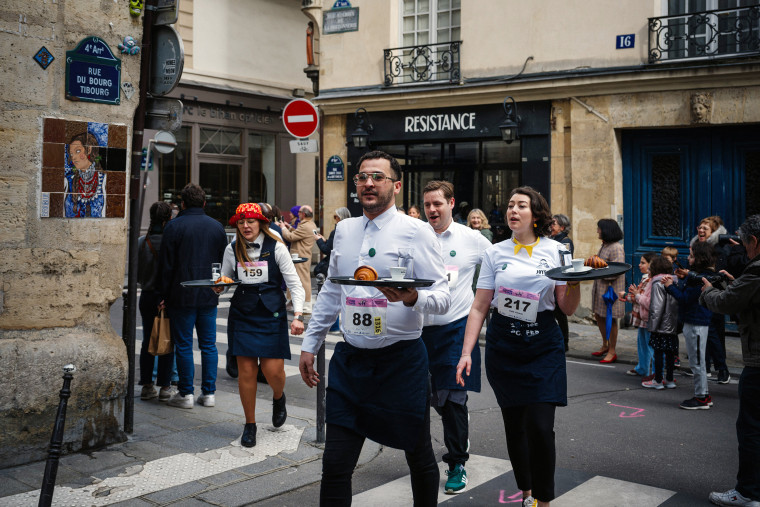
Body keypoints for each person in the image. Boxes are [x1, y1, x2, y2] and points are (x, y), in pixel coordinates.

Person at [298, 150, 450, 505]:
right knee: (335, 463)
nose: (368, 183)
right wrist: (311, 342)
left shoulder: (416, 232)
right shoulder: (346, 230)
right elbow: (332, 291)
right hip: (351, 363)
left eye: (377, 177)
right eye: (362, 177)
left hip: (402, 363)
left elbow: (443, 297)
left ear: (395, 186)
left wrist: (411, 299)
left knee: (418, 453)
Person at [456, 186, 581, 507]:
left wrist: (575, 280)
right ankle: (527, 492)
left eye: (521, 205)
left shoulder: (557, 251)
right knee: (515, 426)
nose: (513, 210)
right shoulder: (494, 252)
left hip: (543, 344)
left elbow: (566, 308)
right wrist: (467, 352)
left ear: (535, 214)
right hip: (504, 346)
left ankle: (544, 499)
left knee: (540, 426)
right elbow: (479, 306)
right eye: (510, 205)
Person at [421, 180, 491, 494]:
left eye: (438, 203)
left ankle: (456, 462)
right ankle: (457, 439)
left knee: (452, 400)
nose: (432, 210)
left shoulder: (472, 239)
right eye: (427, 205)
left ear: (451, 203)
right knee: (426, 398)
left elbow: (498, 266)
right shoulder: (414, 236)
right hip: (417, 332)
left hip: (455, 330)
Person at [215, 203, 305, 447]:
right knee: (246, 372)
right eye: (241, 222)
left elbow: (294, 284)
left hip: (271, 314)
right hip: (243, 314)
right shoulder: (231, 249)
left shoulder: (277, 247)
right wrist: (219, 285)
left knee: (272, 371)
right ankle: (250, 424)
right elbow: (225, 279)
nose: (245, 226)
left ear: (261, 223)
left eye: (250, 221)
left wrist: (298, 315)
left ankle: (278, 397)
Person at [701, 214, 760, 507]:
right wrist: (736, 284)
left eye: (745, 243)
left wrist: (708, 291)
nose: (742, 248)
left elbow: (724, 303)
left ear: (755, 242)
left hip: (758, 363)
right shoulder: (752, 276)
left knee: (751, 428)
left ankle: (748, 491)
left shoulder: (757, 271)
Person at [159, 183, 228, 409]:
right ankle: (209, 393)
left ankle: (186, 393)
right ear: (205, 203)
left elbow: (166, 266)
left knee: (184, 344)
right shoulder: (217, 227)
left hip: (181, 293)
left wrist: (164, 294)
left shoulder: (174, 226)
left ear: (183, 203)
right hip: (208, 293)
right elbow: (222, 262)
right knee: (209, 345)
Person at [663, 242, 715, 409]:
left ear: (700, 259)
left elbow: (685, 298)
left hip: (696, 322)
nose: (688, 258)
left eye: (692, 256)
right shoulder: (697, 276)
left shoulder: (701, 278)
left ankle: (701, 397)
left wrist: (670, 287)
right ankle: (703, 395)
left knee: (697, 362)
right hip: (693, 321)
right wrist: (685, 278)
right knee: (696, 361)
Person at [137, 201, 176, 402]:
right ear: (168, 218)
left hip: (147, 295)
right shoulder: (172, 241)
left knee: (148, 340)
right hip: (167, 296)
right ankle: (165, 387)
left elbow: (136, 273)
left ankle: (146, 384)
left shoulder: (142, 241)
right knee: (167, 340)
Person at [641, 256, 679, 390]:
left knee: (658, 352)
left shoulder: (657, 283)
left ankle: (658, 379)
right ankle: (669, 379)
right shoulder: (674, 282)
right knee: (670, 353)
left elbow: (656, 307)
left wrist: (652, 326)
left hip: (660, 325)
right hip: (672, 325)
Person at [590, 219, 625, 363]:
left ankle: (612, 350)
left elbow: (617, 269)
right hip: (601, 288)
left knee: (611, 319)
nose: (598, 231)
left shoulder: (616, 247)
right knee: (599, 316)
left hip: (610, 290)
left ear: (606, 230)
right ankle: (605, 345)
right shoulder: (605, 245)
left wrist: (598, 270)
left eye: (599, 228)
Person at [622, 252, 656, 378]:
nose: (639, 265)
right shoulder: (645, 278)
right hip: (641, 318)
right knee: (642, 343)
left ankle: (654, 374)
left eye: (643, 262)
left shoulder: (650, 280)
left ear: (651, 265)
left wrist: (626, 296)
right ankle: (642, 368)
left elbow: (640, 297)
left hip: (647, 318)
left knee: (650, 345)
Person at [280, 205, 316, 313]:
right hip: (302, 255)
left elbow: (290, 237)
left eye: (299, 212)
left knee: (303, 280)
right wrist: (289, 227)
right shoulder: (309, 224)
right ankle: (293, 302)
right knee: (298, 279)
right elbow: (297, 234)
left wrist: (282, 227)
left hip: (300, 256)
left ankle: (305, 304)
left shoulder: (305, 226)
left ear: (303, 214)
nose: (297, 214)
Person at [64, 132, 106, 218]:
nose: (74, 157)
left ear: (89, 150)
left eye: (78, 151)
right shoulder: (67, 181)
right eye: (71, 154)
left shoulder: (104, 180)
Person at [550, 214, 573, 351]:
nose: (551, 226)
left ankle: (565, 342)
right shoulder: (552, 239)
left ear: (562, 227)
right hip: (553, 281)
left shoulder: (565, 242)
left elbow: (564, 264)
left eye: (554, 224)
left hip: (560, 282)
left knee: (560, 312)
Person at [314, 207, 351, 278]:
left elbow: (327, 250)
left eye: (335, 216)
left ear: (340, 218)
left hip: (335, 263)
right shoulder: (351, 230)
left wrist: (318, 240)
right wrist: (326, 241)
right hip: (346, 262)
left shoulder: (336, 232)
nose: (334, 219)